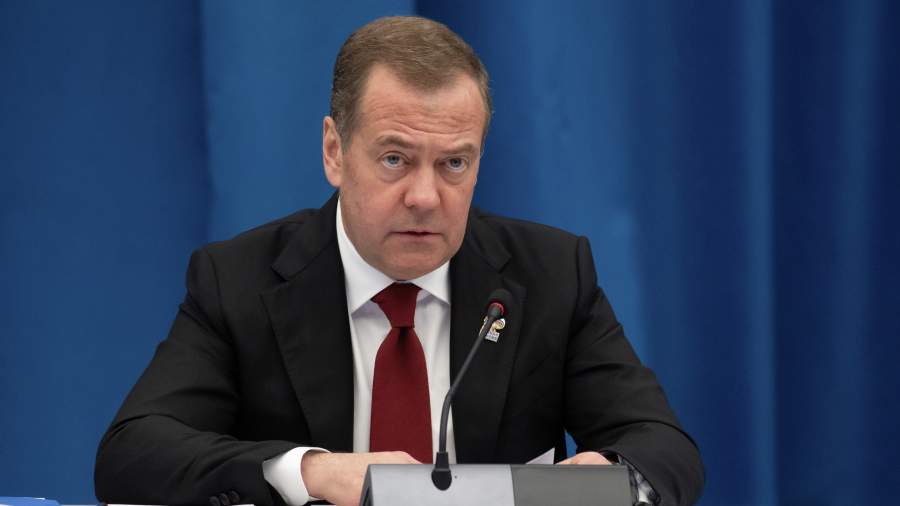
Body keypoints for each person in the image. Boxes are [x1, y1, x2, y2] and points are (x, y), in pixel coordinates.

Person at [95, 16, 704, 506]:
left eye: (454, 163)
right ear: (334, 151)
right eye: (395, 159)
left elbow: (664, 448)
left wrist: (609, 478)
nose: (425, 196)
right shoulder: (239, 280)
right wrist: (312, 472)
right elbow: (133, 453)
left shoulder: (549, 275)